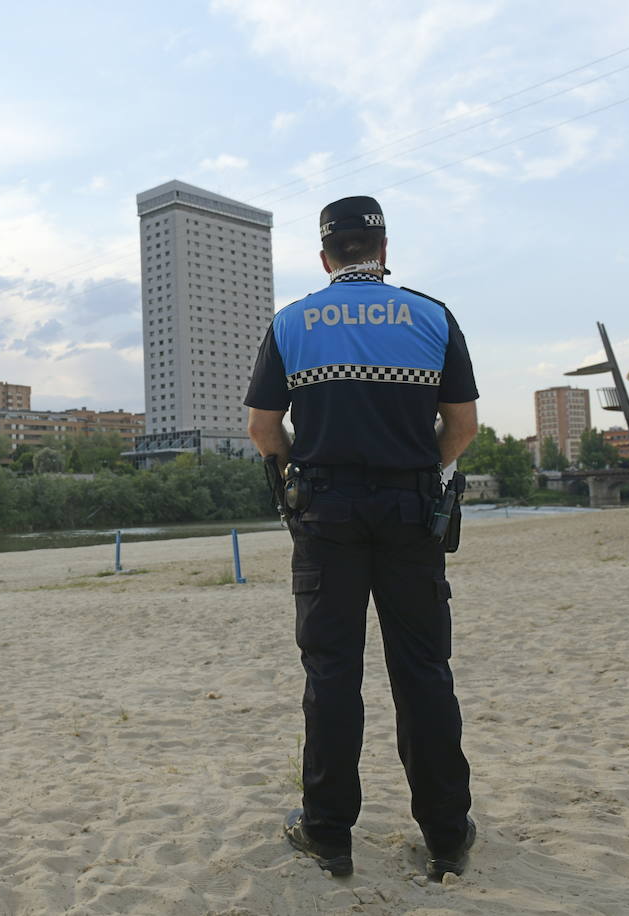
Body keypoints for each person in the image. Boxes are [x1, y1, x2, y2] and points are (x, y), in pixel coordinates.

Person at [243, 195, 480, 881]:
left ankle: (329, 833)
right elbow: (461, 426)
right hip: (412, 513)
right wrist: (415, 470)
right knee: (424, 672)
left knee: (331, 674)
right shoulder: (430, 316)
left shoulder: (294, 322)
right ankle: (445, 833)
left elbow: (262, 429)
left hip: (326, 515)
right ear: (382, 252)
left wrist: (298, 475)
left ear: (325, 257)